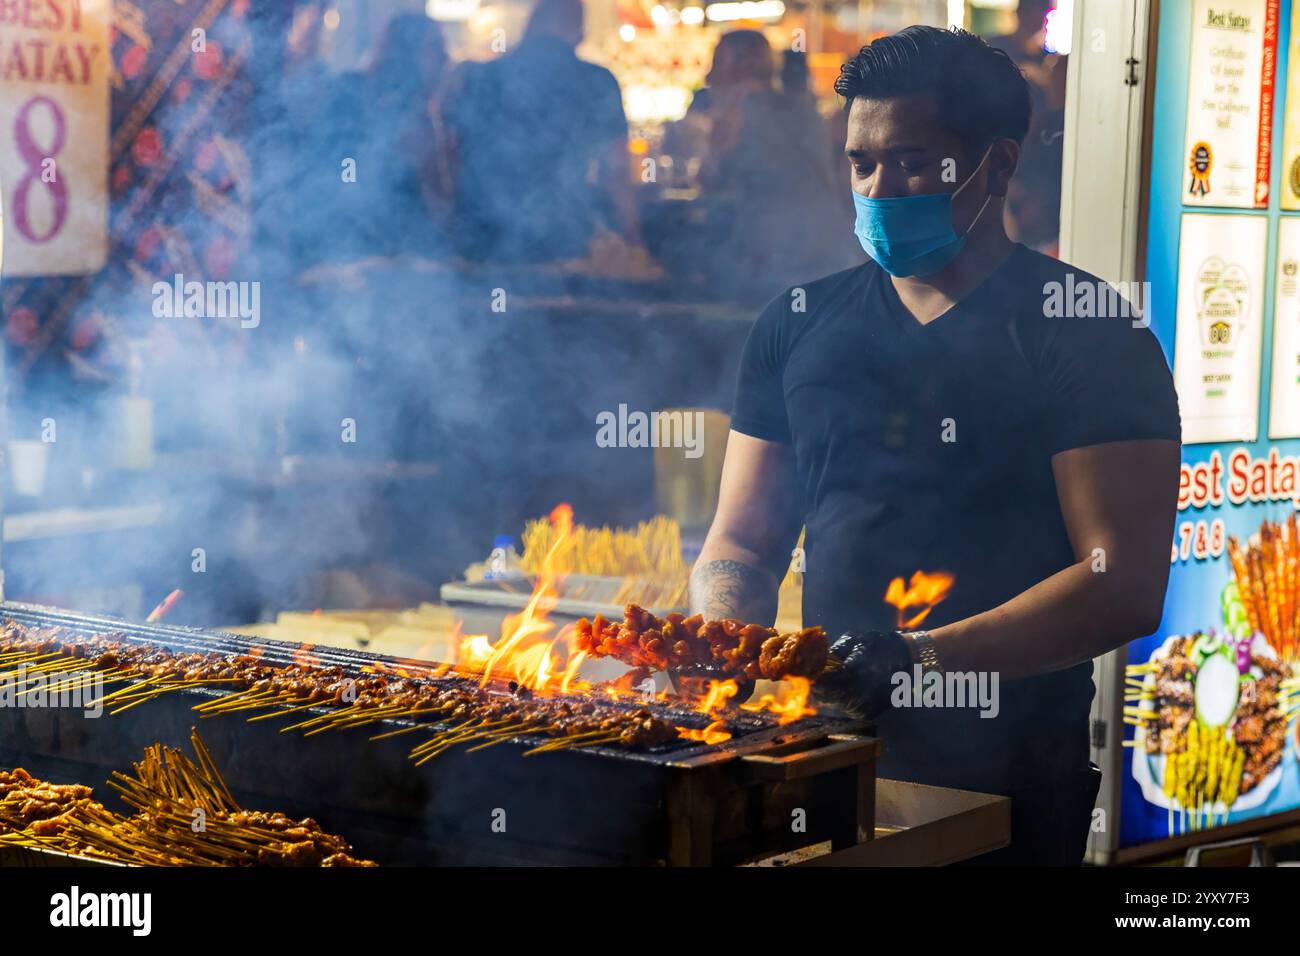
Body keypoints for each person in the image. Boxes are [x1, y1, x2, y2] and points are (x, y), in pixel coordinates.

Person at [688, 26, 1181, 865]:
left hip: (1007, 777)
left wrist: (914, 658)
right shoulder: (799, 325)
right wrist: (723, 640)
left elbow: (1124, 585)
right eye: (861, 163)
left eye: (913, 162)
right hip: (823, 762)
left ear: (996, 166)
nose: (880, 188)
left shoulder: (1085, 330)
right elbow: (742, 539)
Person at [444, 0, 640, 264]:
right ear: (578, 32)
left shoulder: (480, 77)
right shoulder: (596, 82)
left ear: (531, 25)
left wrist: (447, 224)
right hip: (561, 232)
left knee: (484, 301)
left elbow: (450, 155)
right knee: (554, 300)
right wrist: (633, 237)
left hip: (481, 230)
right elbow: (614, 169)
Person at [692, 31, 859, 304]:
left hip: (777, 255)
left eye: (718, 62)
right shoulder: (804, 109)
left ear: (744, 65)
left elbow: (708, 180)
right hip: (830, 249)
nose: (709, 77)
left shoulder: (736, 112)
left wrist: (717, 132)